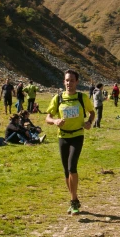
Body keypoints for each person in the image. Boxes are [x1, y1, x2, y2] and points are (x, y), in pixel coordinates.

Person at [45, 69, 95, 215]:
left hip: (77, 135)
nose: (69, 83)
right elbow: (47, 118)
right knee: (66, 171)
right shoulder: (58, 98)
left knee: (72, 166)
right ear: (64, 82)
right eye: (67, 80)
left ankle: (73, 201)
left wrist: (89, 122)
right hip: (63, 137)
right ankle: (74, 199)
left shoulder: (82, 97)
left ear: (77, 82)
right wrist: (55, 121)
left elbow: (92, 112)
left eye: (72, 80)